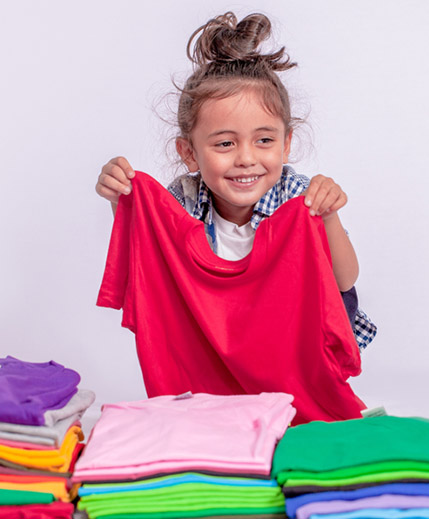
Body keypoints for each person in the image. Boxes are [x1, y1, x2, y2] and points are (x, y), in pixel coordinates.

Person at [95, 11, 376, 350]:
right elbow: (145, 263)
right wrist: (121, 199)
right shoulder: (183, 199)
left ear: (286, 145)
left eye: (264, 140)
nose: (245, 158)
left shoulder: (297, 195)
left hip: (292, 344)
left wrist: (328, 215)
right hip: (221, 342)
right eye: (225, 143)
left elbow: (345, 280)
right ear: (189, 153)